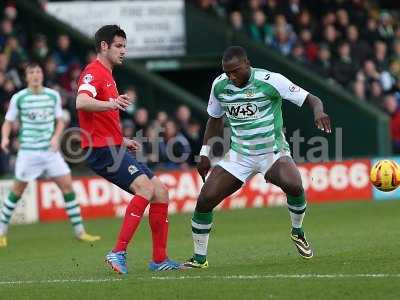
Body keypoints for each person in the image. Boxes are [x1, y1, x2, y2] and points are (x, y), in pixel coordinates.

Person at [183, 46, 331, 269]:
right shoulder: (220, 85)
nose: (231, 76)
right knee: (205, 199)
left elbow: (311, 98)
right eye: (227, 72)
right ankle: (199, 259)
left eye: (235, 71)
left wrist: (318, 112)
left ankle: (297, 231)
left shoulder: (271, 80)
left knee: (294, 184)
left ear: (247, 64)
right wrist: (204, 153)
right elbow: (214, 119)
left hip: (272, 151)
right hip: (239, 154)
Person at [75, 25, 180, 273]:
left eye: (125, 46)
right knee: (144, 187)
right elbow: (81, 101)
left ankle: (159, 260)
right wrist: (111, 102)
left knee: (161, 191)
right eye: (119, 46)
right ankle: (117, 252)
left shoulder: (108, 75)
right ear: (104, 46)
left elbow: (100, 120)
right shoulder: (94, 72)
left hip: (111, 145)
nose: (124, 51)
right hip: (100, 150)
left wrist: (121, 139)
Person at [0, 62, 100, 247]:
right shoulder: (19, 98)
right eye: (32, 72)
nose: (36, 75)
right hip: (28, 152)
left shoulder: (52, 95)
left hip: (50, 152)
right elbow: (8, 121)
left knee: (67, 187)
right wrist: (5, 138)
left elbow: (60, 119)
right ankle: (1, 232)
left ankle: (80, 232)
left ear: (42, 75)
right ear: (26, 77)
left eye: (38, 71)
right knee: (17, 191)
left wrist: (56, 137)